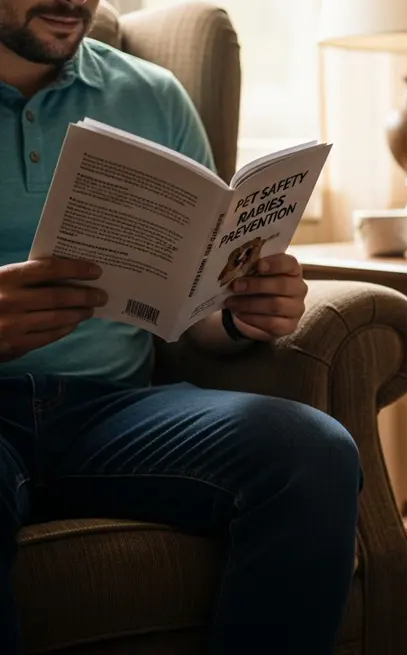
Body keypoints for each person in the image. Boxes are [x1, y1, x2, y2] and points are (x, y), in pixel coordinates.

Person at [0, 1, 361, 653]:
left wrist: (243, 312)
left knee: (314, 450)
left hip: (112, 412)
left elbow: (191, 312)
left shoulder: (151, 94)